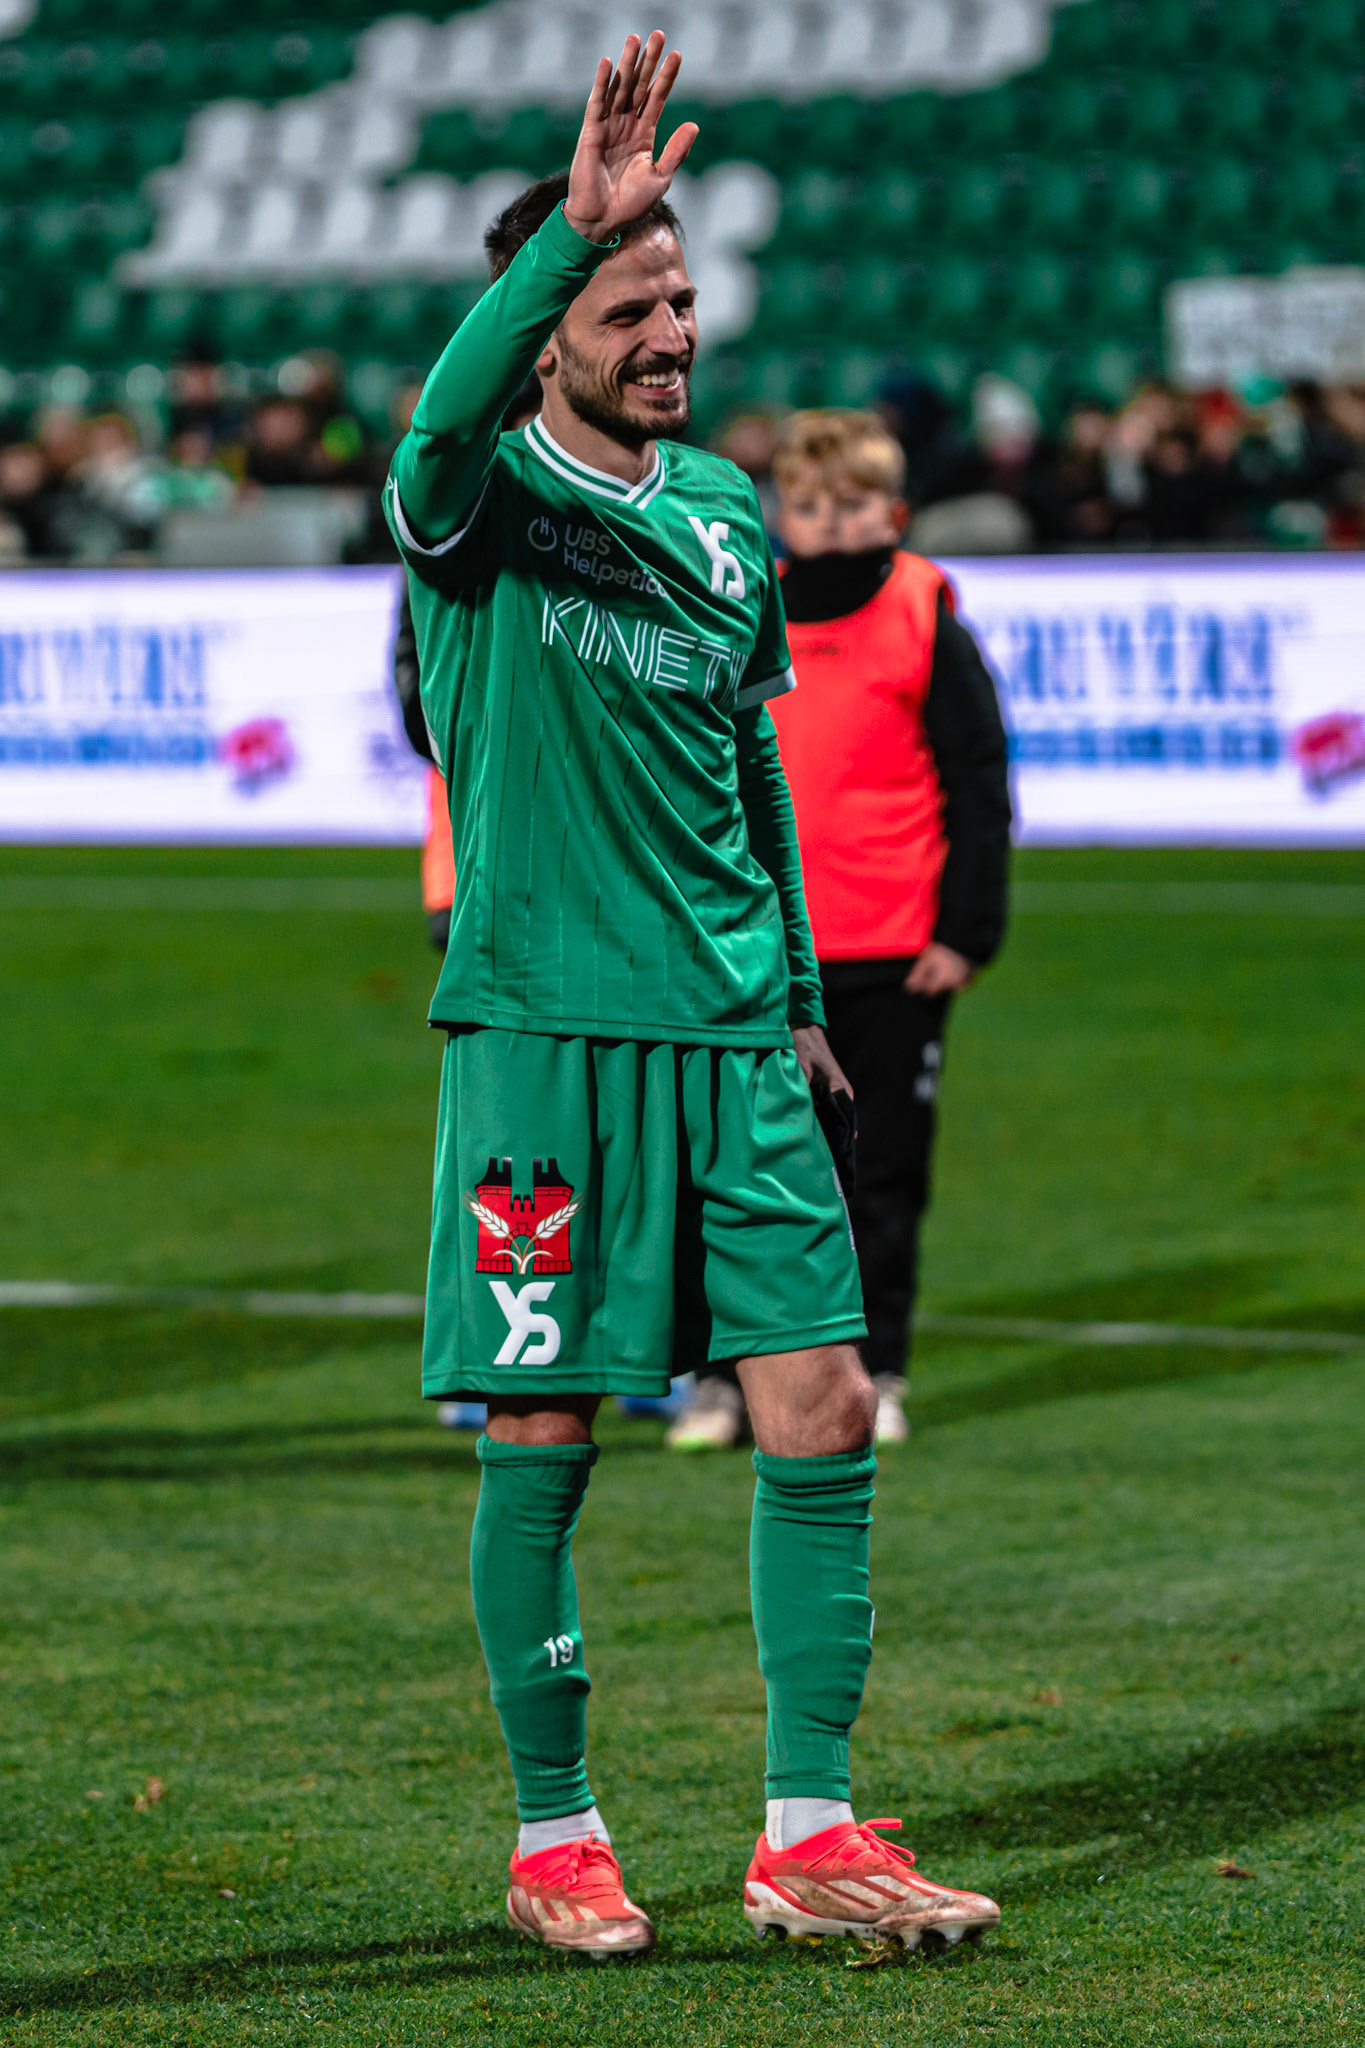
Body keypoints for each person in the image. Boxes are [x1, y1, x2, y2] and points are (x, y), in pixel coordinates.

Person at [385, 31, 1000, 1960]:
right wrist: (550, 249)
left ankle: (806, 1829)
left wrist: (803, 988)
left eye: (686, 299)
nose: (677, 333)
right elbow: (421, 444)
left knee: (816, 1402)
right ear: (552, 315)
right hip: (545, 1043)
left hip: (737, 1038)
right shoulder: (475, 507)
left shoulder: (733, 511)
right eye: (639, 302)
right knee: (545, 1434)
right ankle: (558, 1837)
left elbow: (747, 763)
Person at [668, 412, 1010, 1451]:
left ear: (895, 511)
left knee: (883, 1177)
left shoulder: (922, 613)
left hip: (894, 951)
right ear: (779, 514)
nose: (830, 523)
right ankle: (724, 1380)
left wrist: (966, 928)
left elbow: (978, 781)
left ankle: (877, 1368)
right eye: (809, 506)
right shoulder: (743, 603)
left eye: (853, 504)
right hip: (757, 951)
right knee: (736, 1174)